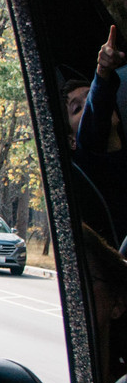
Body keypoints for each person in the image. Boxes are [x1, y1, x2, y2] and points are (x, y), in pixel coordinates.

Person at [65, 25, 127, 243]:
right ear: (72, 141)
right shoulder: (90, 165)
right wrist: (102, 73)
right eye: (77, 108)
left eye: (90, 95)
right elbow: (94, 121)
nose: (89, 104)